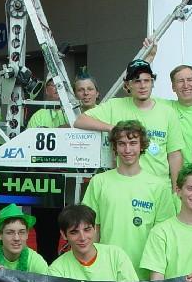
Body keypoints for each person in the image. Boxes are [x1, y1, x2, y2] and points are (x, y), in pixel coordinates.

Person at [81, 120, 175, 280]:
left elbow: (163, 237)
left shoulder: (158, 186)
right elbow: (91, 230)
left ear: (142, 146)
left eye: (133, 143)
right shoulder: (99, 182)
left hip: (143, 275)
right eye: (122, 144)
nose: (127, 149)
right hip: (106, 272)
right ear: (115, 147)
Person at [74, 59, 183, 187]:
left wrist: (176, 191)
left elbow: (174, 156)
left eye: (146, 80)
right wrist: (112, 128)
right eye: (137, 81)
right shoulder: (114, 106)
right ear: (127, 85)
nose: (142, 86)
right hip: (124, 186)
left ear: (152, 83)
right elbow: (79, 121)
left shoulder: (168, 112)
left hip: (158, 188)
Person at [47, 204, 137, 281]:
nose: (82, 238)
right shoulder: (56, 270)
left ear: (94, 229)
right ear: (63, 234)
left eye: (87, 230)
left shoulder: (116, 255)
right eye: (74, 232)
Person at [0, 204, 49, 274]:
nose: (16, 238)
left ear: (27, 234)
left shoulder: (34, 260)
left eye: (21, 232)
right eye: (10, 232)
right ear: (0, 235)